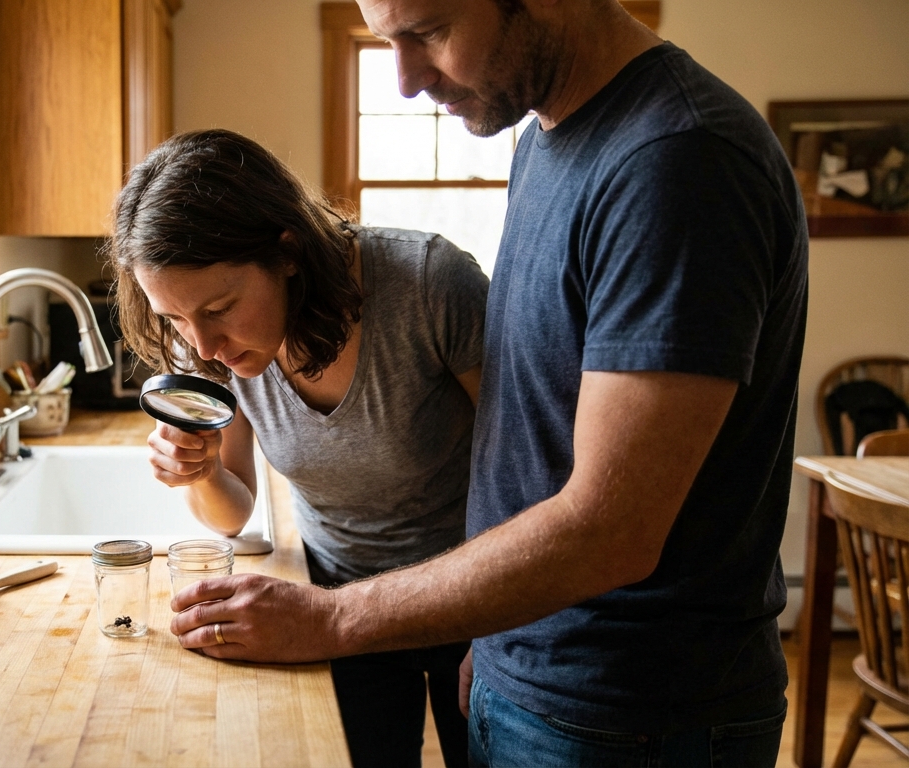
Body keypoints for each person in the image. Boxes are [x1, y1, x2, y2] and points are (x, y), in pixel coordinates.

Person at [166, 1, 809, 766]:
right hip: (538, 673)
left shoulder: (679, 160)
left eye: (429, 32)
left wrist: (330, 620)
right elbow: (525, 442)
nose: (405, 81)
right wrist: (500, 643)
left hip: (631, 714)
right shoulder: (548, 137)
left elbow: (612, 529)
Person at [109, 128, 490, 767]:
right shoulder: (206, 343)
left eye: (220, 308)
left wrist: (507, 622)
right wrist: (200, 472)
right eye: (175, 319)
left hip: (473, 590)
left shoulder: (429, 285)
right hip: (336, 601)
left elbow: (535, 464)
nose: (203, 345)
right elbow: (233, 512)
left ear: (287, 252)